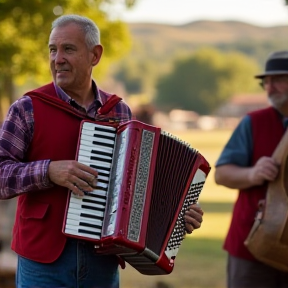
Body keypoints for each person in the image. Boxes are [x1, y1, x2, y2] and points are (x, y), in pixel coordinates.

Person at [0, 14, 204, 288]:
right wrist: (49, 170)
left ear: (95, 55)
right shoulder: (27, 108)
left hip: (102, 260)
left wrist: (180, 212)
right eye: (52, 49)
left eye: (68, 49)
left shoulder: (120, 111)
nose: (57, 58)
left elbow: (138, 184)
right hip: (43, 259)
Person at [214, 50, 288, 288]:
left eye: (278, 79)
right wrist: (252, 173)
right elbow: (222, 173)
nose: (270, 87)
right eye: (266, 82)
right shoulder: (253, 122)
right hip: (252, 245)